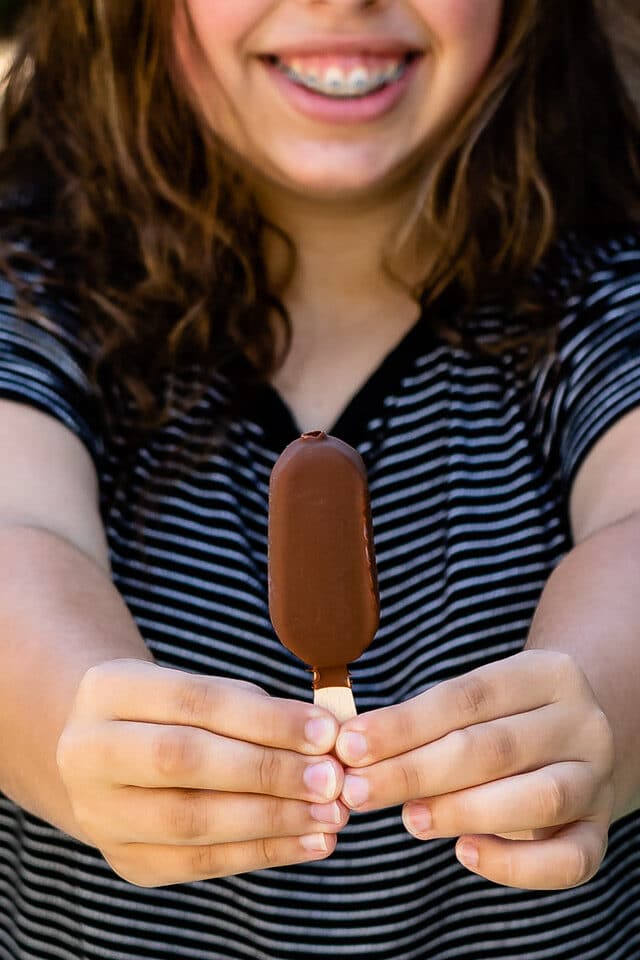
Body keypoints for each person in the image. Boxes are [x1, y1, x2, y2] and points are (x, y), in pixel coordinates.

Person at [0, 0, 639, 958]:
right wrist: (68, 721)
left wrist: (596, 708)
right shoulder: (33, 287)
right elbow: (16, 528)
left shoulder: (601, 289)